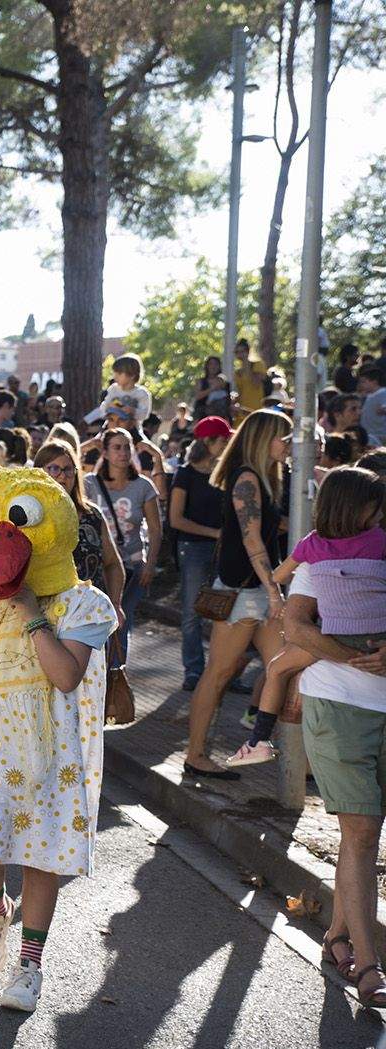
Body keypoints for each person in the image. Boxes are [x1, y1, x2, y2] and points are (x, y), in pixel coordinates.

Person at [0, 467, 117, 1014]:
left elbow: (65, 676)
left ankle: (29, 966)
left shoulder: (81, 605)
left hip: (49, 754)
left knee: (40, 858)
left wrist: (33, 611)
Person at [285, 517, 386, 1008]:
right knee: (363, 829)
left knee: (363, 833)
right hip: (340, 704)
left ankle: (338, 937)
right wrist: (350, 656)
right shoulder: (325, 557)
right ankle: (369, 967)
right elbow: (295, 626)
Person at [230, 467, 386, 766]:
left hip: (335, 635)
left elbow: (278, 575)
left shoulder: (313, 543)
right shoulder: (379, 540)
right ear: (358, 507)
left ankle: (258, 740)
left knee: (276, 669)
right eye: (375, 505)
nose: (380, 512)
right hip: (376, 633)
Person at [183, 409, 292, 779]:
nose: (289, 445)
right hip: (244, 592)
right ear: (265, 438)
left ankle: (271, 748)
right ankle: (196, 755)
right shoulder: (246, 477)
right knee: (219, 673)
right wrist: (275, 591)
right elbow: (251, 540)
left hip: (258, 591)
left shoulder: (267, 476)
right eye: (284, 437)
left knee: (285, 668)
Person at [84, 428, 159, 662]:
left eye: (127, 447)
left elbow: (156, 529)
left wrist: (151, 564)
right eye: (117, 447)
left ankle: (117, 676)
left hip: (132, 566)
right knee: (93, 626)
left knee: (120, 625)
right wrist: (85, 447)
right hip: (98, 568)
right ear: (104, 452)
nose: (123, 453)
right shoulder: (89, 484)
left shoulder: (143, 486)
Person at [169, 417, 233, 689]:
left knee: (228, 611)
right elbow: (176, 520)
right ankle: (194, 670)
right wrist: (214, 533)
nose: (228, 443)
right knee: (191, 613)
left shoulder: (228, 473)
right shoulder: (186, 473)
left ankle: (226, 670)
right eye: (223, 439)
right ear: (209, 442)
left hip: (224, 550)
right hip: (193, 549)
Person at [34, 441, 126, 622]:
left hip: (91, 615)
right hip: (43, 619)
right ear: (38, 472)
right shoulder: (28, 516)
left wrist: (115, 604)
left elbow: (113, 564)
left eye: (68, 469)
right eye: (54, 468)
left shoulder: (92, 515)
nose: (62, 475)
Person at [83, 354, 151, 432]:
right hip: (111, 426)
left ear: (132, 375)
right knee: (99, 438)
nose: (115, 377)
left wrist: (133, 411)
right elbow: (103, 408)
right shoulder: (113, 389)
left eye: (119, 374)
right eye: (114, 373)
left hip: (132, 428)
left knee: (142, 443)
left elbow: (144, 415)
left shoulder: (141, 393)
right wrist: (109, 405)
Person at [232, 338, 267, 421]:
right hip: (242, 411)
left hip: (256, 408)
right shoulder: (237, 372)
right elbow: (240, 391)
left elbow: (256, 383)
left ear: (247, 351)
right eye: (237, 352)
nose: (240, 354)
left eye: (242, 351)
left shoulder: (258, 364)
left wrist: (246, 364)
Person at [195, 356, 231, 420]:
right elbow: (198, 396)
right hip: (203, 416)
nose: (213, 366)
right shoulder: (201, 381)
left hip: (221, 416)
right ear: (207, 366)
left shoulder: (225, 383)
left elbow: (228, 400)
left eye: (216, 364)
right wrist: (212, 389)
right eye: (211, 364)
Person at [362, 364, 386, 445]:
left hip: (379, 436)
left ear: (374, 382)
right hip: (369, 435)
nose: (362, 385)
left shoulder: (383, 393)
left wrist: (383, 409)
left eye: (365, 382)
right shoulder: (369, 395)